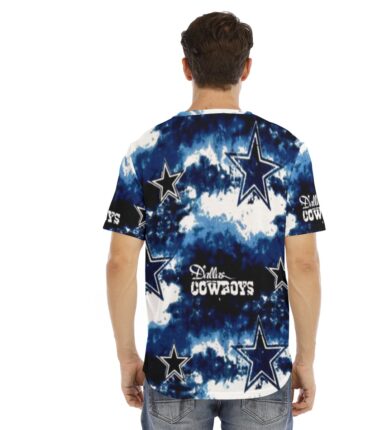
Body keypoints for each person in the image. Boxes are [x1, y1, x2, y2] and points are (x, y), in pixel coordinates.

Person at [103, 10, 326, 430]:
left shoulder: (146, 151)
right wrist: (306, 360)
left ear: (186, 68)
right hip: (262, 373)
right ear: (247, 68)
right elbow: (304, 264)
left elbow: (119, 263)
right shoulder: (288, 150)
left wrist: (127, 355)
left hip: (173, 373)